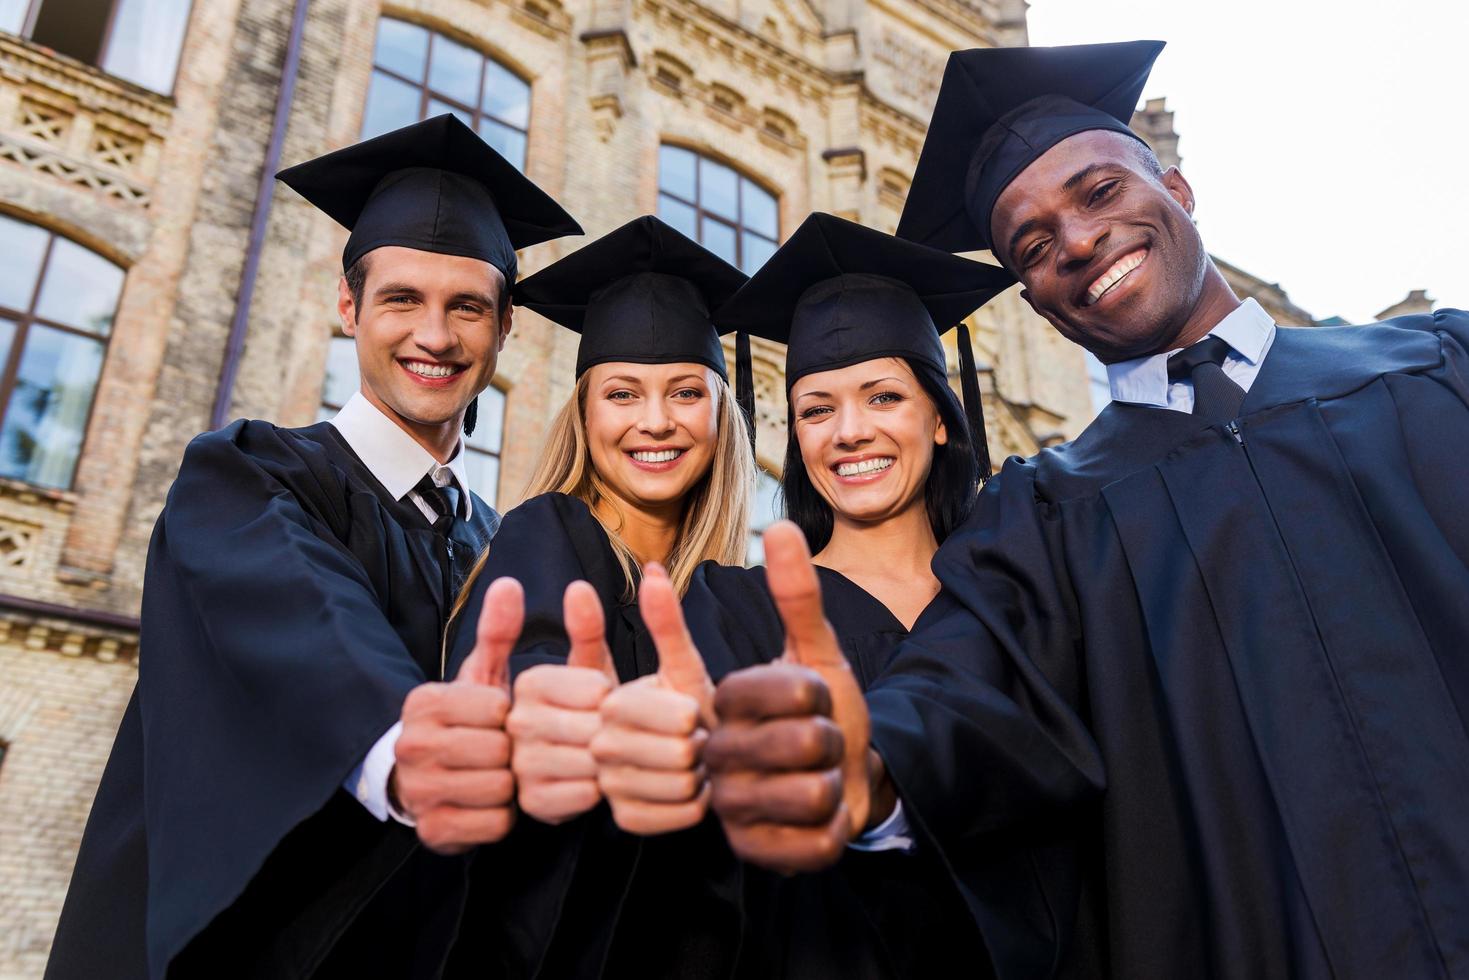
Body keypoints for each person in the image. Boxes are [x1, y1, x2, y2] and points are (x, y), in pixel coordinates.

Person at [709, 39, 1469, 979]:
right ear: (1033, 301)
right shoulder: (1047, 516)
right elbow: (966, 691)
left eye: (1099, 192)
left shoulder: (1439, 368)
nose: (1073, 240)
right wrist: (865, 764)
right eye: (1031, 245)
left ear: (1177, 191)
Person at [45, 114, 582, 979]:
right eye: (401, 298)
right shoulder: (249, 476)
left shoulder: (493, 543)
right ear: (347, 305)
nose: (435, 336)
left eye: (467, 307)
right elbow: (304, 615)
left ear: (507, 326)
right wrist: (409, 745)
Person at [667, 211, 1013, 977]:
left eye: (883, 397)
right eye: (816, 410)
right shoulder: (737, 612)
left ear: (942, 420)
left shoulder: (1016, 602)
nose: (847, 431)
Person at [443, 214, 757, 977]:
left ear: (721, 417)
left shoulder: (734, 594)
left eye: (686, 391)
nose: (655, 421)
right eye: (622, 393)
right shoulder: (550, 534)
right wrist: (542, 720)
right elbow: (535, 660)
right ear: (585, 414)